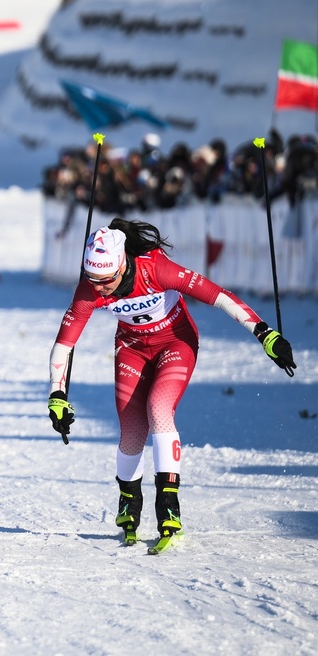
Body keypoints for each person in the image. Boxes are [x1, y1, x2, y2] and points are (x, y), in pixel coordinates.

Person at [46, 218, 296, 552]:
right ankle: (128, 502)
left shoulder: (155, 269)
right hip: (132, 349)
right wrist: (57, 395)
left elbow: (217, 295)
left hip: (175, 342)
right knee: (131, 429)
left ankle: (168, 503)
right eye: (92, 279)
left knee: (159, 408)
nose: (99, 288)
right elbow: (64, 344)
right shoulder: (89, 289)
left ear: (122, 265)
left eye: (105, 280)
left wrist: (264, 333)